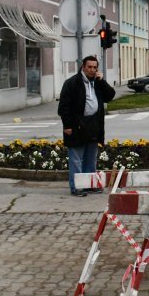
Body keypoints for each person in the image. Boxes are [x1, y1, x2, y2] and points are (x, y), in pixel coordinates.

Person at [58, 56, 115, 197]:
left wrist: (102, 82)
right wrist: (67, 125)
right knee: (76, 158)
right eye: (89, 67)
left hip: (93, 124)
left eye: (95, 67)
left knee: (91, 157)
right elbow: (63, 107)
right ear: (83, 67)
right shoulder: (72, 83)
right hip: (77, 125)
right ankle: (77, 187)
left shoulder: (97, 83)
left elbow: (110, 96)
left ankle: (90, 184)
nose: (92, 70)